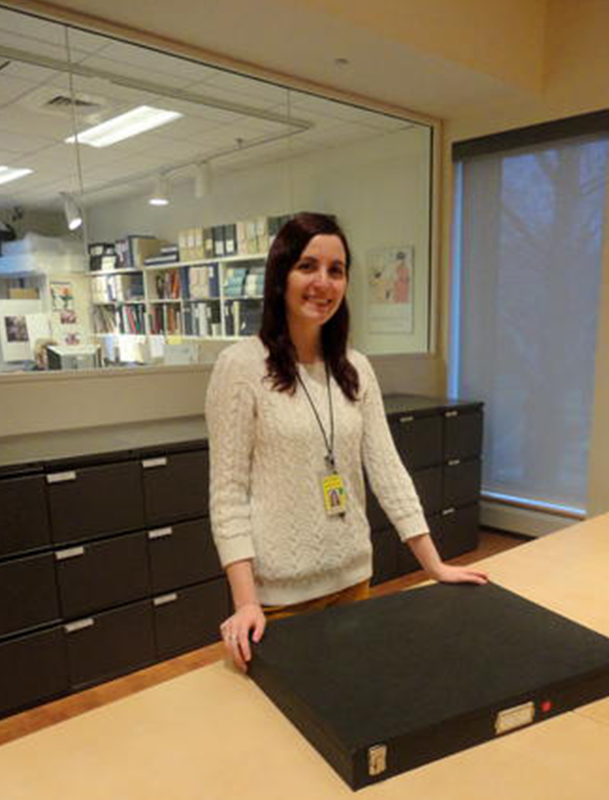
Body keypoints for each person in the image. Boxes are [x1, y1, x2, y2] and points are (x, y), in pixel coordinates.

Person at [206, 212, 487, 672]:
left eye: (336, 270)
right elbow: (228, 493)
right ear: (281, 275)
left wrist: (434, 565)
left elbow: (388, 469)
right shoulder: (240, 367)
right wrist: (245, 601)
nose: (323, 282)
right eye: (308, 266)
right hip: (279, 598)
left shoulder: (355, 368)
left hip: (354, 578)